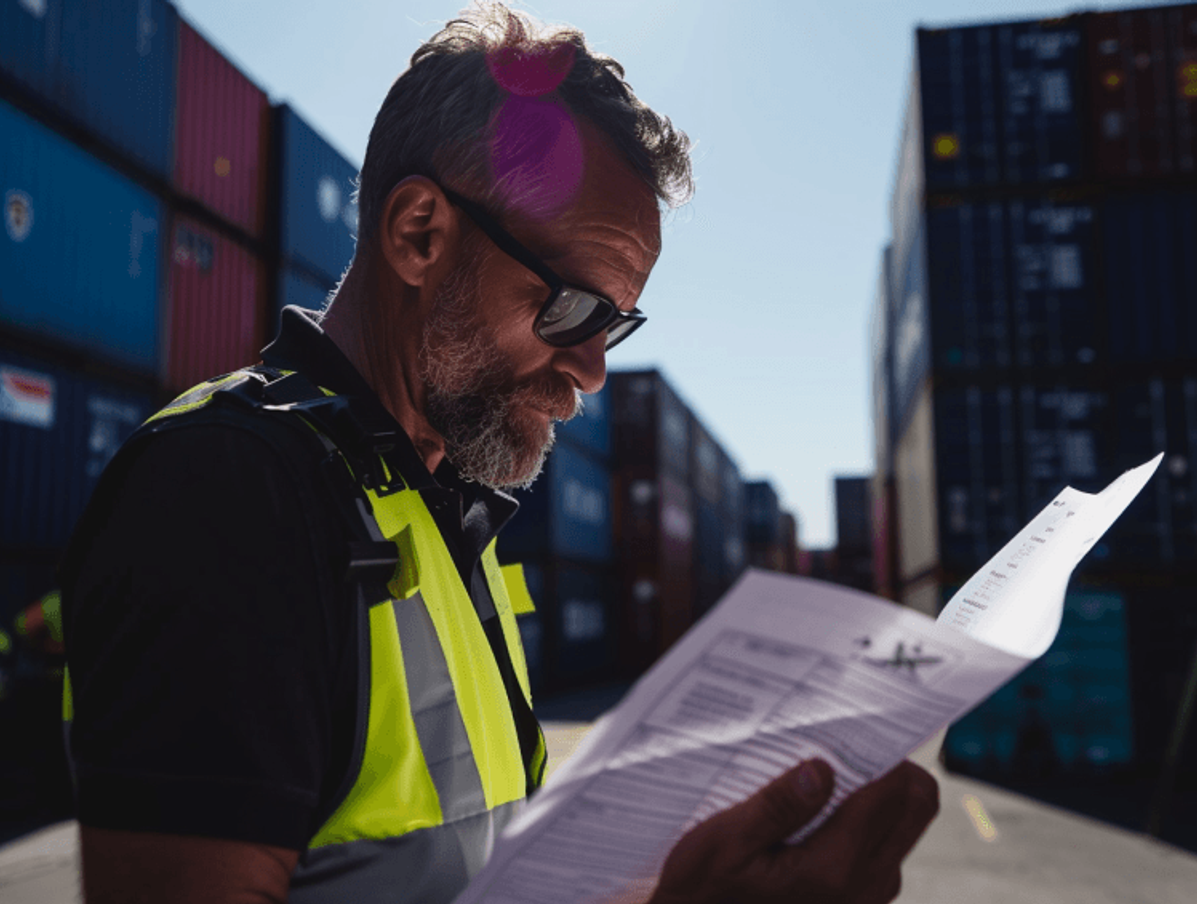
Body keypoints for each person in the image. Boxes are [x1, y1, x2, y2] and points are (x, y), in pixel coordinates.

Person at [59, 4, 939, 903]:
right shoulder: (230, 494)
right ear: (419, 235)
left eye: (617, 323)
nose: (594, 371)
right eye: (571, 309)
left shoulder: (430, 512)